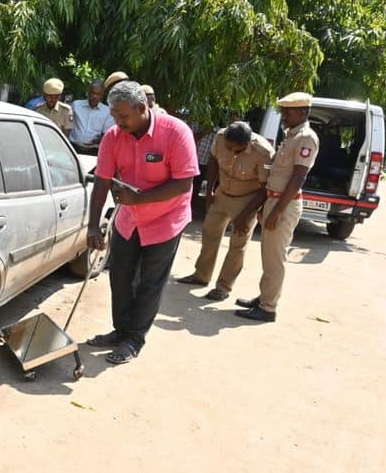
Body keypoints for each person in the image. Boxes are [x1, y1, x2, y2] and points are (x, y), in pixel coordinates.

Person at [85, 81, 200, 364]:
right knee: (120, 276)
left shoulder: (175, 132)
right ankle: (121, 330)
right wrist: (92, 224)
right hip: (129, 219)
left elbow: (184, 184)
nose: (117, 122)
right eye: (114, 116)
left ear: (142, 108)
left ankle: (135, 338)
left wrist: (141, 199)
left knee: (150, 282)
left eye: (123, 116)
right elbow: (102, 182)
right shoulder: (113, 137)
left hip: (166, 220)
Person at [233, 92, 319, 322]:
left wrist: (278, 210)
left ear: (302, 113)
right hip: (275, 199)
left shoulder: (305, 138)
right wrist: (268, 206)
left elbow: (298, 177)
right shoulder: (292, 135)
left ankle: (268, 307)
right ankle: (264, 298)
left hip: (285, 202)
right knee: (268, 254)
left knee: (275, 258)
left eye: (288, 113)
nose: (283, 116)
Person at [177, 121, 275, 300]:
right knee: (209, 234)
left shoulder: (263, 152)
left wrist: (245, 216)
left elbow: (264, 188)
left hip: (247, 200)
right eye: (228, 148)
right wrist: (209, 193)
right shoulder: (221, 137)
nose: (231, 152)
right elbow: (214, 160)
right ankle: (201, 276)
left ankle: (223, 287)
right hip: (223, 194)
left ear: (246, 144)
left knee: (238, 245)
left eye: (236, 150)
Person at [69, 80, 113, 147]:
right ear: (88, 92)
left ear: (102, 95)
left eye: (98, 94)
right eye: (93, 93)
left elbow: (106, 134)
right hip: (73, 147)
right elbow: (68, 123)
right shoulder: (76, 105)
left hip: (93, 150)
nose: (95, 96)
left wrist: (97, 140)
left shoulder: (107, 111)